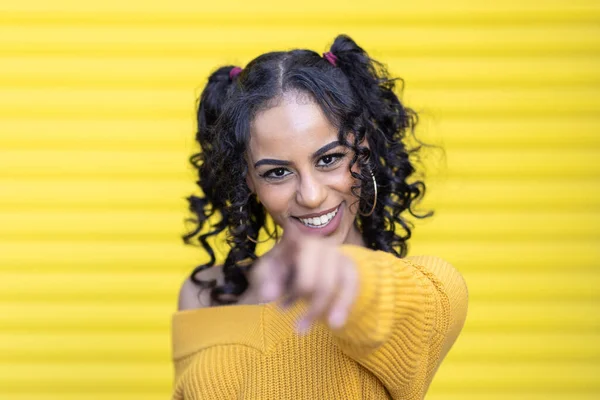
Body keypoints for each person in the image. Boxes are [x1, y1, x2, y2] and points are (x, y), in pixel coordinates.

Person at [173, 34, 468, 399]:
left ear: (363, 152)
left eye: (329, 159)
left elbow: (385, 303)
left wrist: (341, 275)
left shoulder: (431, 293)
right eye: (277, 172)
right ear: (248, 180)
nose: (311, 196)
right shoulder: (204, 295)